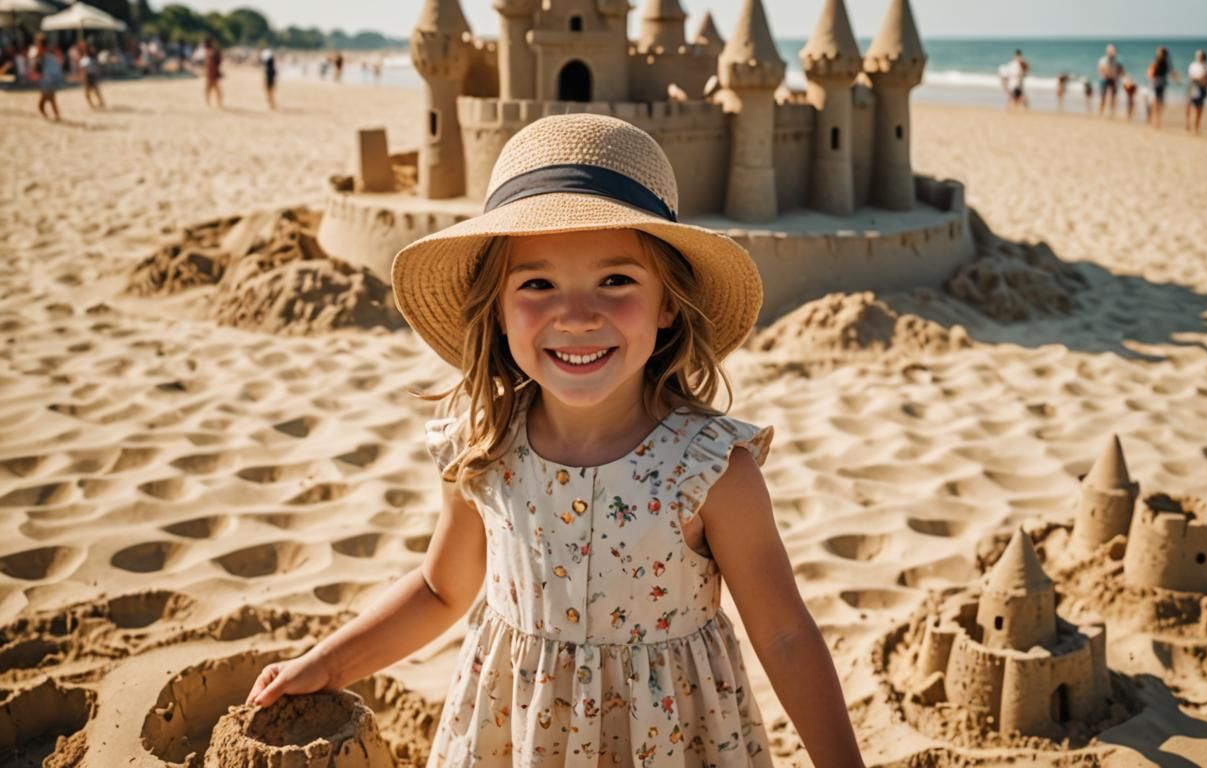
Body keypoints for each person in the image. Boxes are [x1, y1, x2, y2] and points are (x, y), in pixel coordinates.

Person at [243, 113, 866, 766]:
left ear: (667, 303)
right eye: (537, 284)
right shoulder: (484, 446)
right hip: (517, 737)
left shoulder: (709, 467)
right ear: (498, 307)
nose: (576, 314)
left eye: (616, 280)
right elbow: (440, 590)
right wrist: (326, 663)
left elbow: (786, 633)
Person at [1146, 45, 1179, 129]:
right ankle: (1153, 120)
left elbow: (1171, 71)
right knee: (1155, 102)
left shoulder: (1165, 62)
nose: (1158, 53)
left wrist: (1176, 79)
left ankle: (1157, 120)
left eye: (1159, 52)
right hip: (1155, 83)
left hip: (1161, 83)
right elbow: (1150, 72)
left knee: (1160, 103)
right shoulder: (1156, 61)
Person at [34, 33, 61, 121]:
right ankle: (56, 116)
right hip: (51, 79)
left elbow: (37, 66)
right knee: (52, 99)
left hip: (48, 80)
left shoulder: (41, 51)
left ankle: (48, 116)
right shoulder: (49, 53)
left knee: (42, 102)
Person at [1185, 49, 1207, 134]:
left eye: (1200, 56)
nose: (1199, 57)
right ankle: (1188, 122)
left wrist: (1201, 80)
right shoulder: (1193, 65)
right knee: (1188, 105)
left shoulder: (1206, 66)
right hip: (1192, 87)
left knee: (1199, 108)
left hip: (1201, 88)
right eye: (1198, 56)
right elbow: (1191, 76)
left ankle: (1196, 126)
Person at [1097, 43, 1122, 117]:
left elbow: (1119, 70)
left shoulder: (1116, 61)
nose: (1112, 51)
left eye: (1113, 50)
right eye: (1110, 50)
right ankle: (1101, 112)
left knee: (1113, 97)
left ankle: (1111, 113)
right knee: (1103, 96)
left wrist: (1118, 75)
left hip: (1113, 79)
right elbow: (1100, 69)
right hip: (1104, 79)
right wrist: (1106, 73)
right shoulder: (1103, 60)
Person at [78, 41, 105, 110]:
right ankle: (93, 104)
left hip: (91, 75)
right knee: (90, 91)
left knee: (95, 90)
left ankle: (99, 103)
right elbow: (83, 70)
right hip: (89, 75)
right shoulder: (86, 57)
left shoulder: (91, 57)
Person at [203, 37, 223, 108]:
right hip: (211, 73)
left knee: (210, 89)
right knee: (213, 89)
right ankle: (214, 104)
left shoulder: (212, 52)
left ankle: (211, 104)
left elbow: (212, 64)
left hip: (212, 73)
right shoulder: (211, 52)